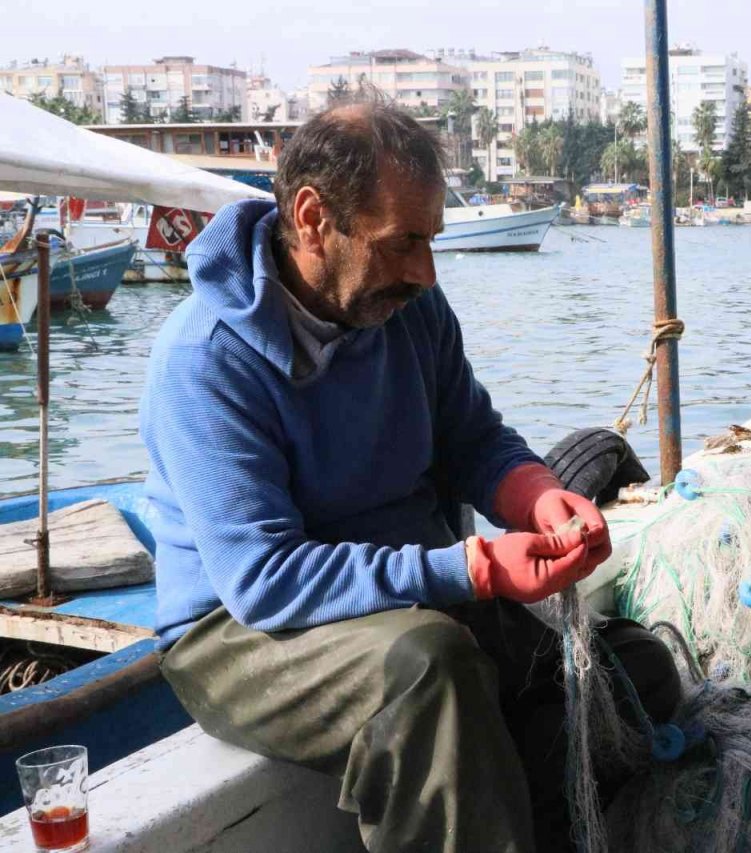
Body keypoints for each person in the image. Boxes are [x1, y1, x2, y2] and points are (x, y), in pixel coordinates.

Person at [141, 101, 680, 853]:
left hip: (411, 593)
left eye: (431, 242)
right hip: (236, 631)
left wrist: (535, 495)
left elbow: (473, 438)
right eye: (405, 243)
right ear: (312, 217)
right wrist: (479, 565)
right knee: (432, 668)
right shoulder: (205, 360)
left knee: (636, 675)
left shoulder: (410, 311)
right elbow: (262, 578)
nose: (425, 272)